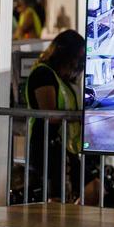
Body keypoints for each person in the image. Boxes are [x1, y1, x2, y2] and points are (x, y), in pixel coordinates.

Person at [26, 30, 100, 203]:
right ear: (66, 54)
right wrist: (80, 117)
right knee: (58, 199)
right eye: (78, 58)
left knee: (91, 189)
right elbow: (49, 114)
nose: (80, 64)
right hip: (48, 147)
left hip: (64, 148)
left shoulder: (61, 78)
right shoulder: (43, 74)